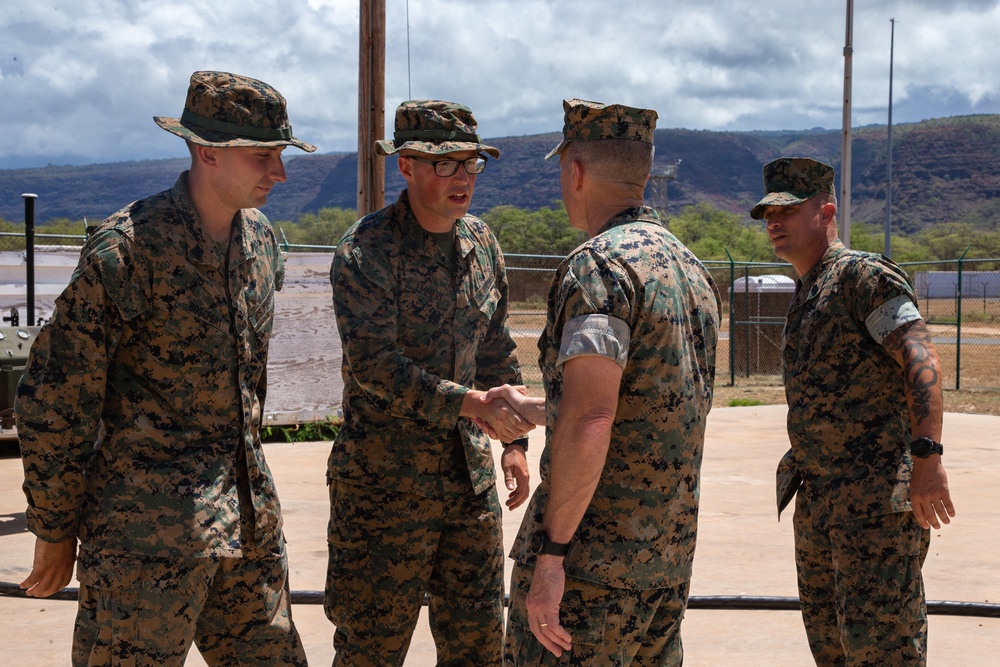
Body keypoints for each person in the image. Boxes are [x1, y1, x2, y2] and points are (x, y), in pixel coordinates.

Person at [16, 70, 314, 666]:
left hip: (247, 531)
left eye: (280, 155)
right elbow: (55, 400)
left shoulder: (261, 244)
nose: (278, 174)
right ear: (208, 152)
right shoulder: (127, 250)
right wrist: (53, 528)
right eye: (262, 157)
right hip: (146, 545)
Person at [498, 98, 721, 666]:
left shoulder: (598, 269)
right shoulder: (689, 269)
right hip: (665, 562)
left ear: (575, 172)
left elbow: (594, 418)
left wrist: (552, 555)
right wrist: (541, 410)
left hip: (593, 568)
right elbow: (650, 402)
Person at [326, 99, 534, 666]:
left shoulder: (482, 244)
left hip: (467, 491)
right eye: (445, 164)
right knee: (371, 650)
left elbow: (494, 347)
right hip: (381, 492)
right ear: (407, 167)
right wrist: (472, 405)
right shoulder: (366, 251)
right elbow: (375, 366)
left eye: (470, 163)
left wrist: (514, 444)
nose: (462, 177)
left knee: (479, 646)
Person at [750, 157, 956, 665]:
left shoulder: (860, 277)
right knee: (834, 650)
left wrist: (927, 457)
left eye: (788, 210)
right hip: (820, 500)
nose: (774, 222)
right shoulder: (809, 290)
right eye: (767, 213)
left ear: (826, 211)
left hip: (875, 506)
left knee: (884, 651)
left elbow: (921, 357)